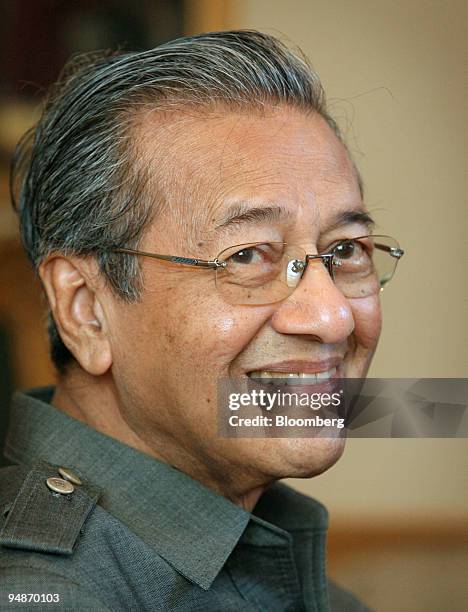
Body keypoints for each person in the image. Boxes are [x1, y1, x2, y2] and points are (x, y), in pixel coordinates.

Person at [0, 30, 403, 611]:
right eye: (247, 256)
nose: (333, 316)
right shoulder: (47, 591)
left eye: (345, 251)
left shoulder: (248, 543)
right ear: (85, 309)